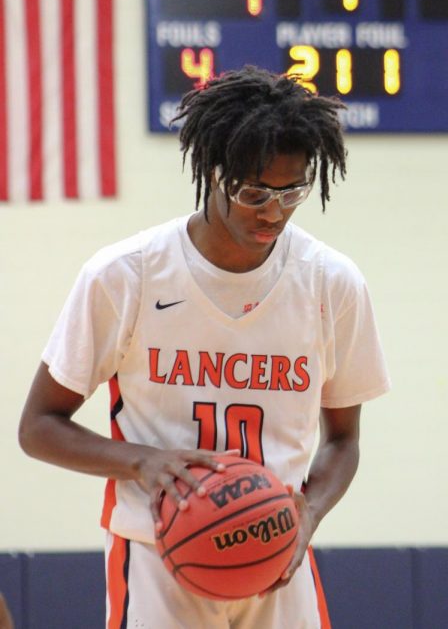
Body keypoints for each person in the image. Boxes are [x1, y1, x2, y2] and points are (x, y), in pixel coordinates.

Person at [19, 66, 391, 629]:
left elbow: (343, 440)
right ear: (213, 174)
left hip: (275, 551)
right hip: (159, 551)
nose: (273, 211)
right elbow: (39, 426)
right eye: (253, 192)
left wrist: (307, 514)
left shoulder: (331, 283)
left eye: (293, 190)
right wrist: (142, 461)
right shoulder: (128, 276)